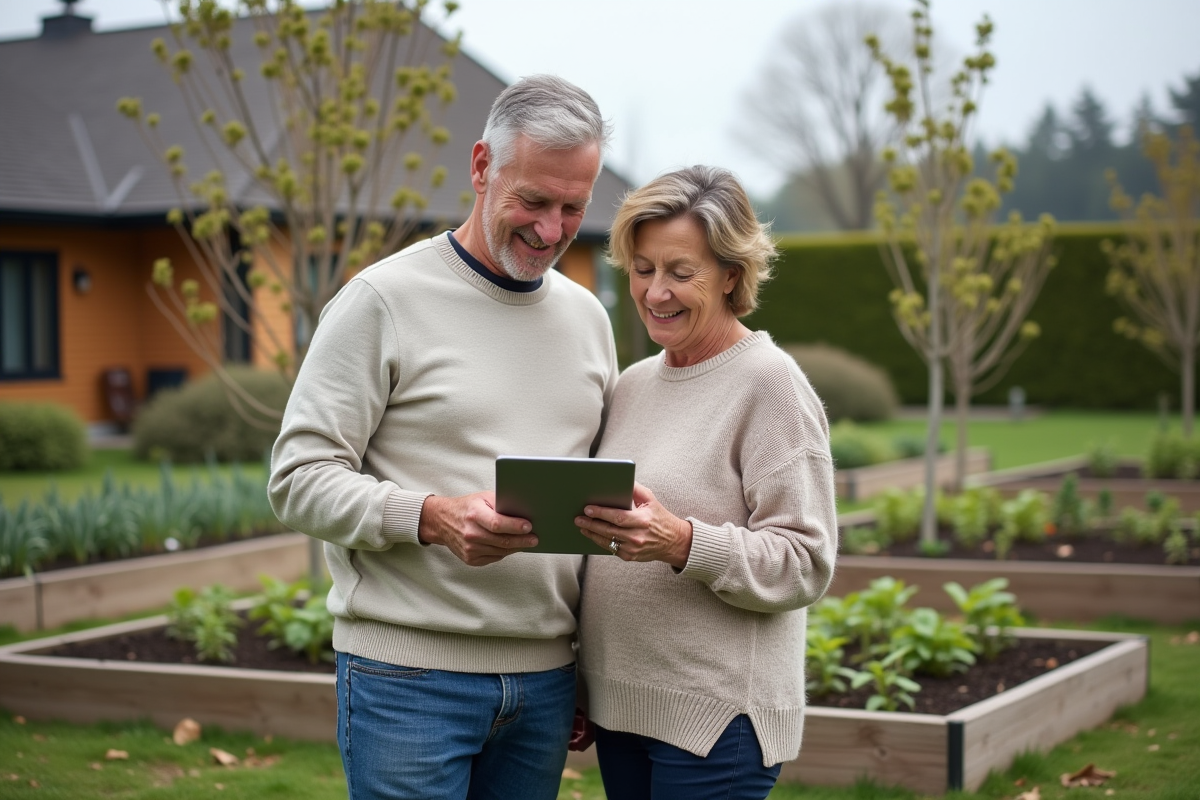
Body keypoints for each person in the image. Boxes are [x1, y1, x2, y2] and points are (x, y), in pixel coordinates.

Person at [268, 75, 617, 800]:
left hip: (546, 686)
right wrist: (430, 517)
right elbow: (297, 478)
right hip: (407, 681)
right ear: (482, 167)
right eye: (533, 201)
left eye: (573, 208)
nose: (552, 231)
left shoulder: (590, 321)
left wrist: (586, 667)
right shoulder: (381, 302)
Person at [573, 166, 838, 800]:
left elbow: (805, 561)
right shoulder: (633, 384)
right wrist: (582, 681)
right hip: (621, 712)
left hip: (716, 724)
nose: (655, 292)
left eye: (680, 272)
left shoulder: (769, 384)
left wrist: (683, 542)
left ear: (730, 274)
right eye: (641, 269)